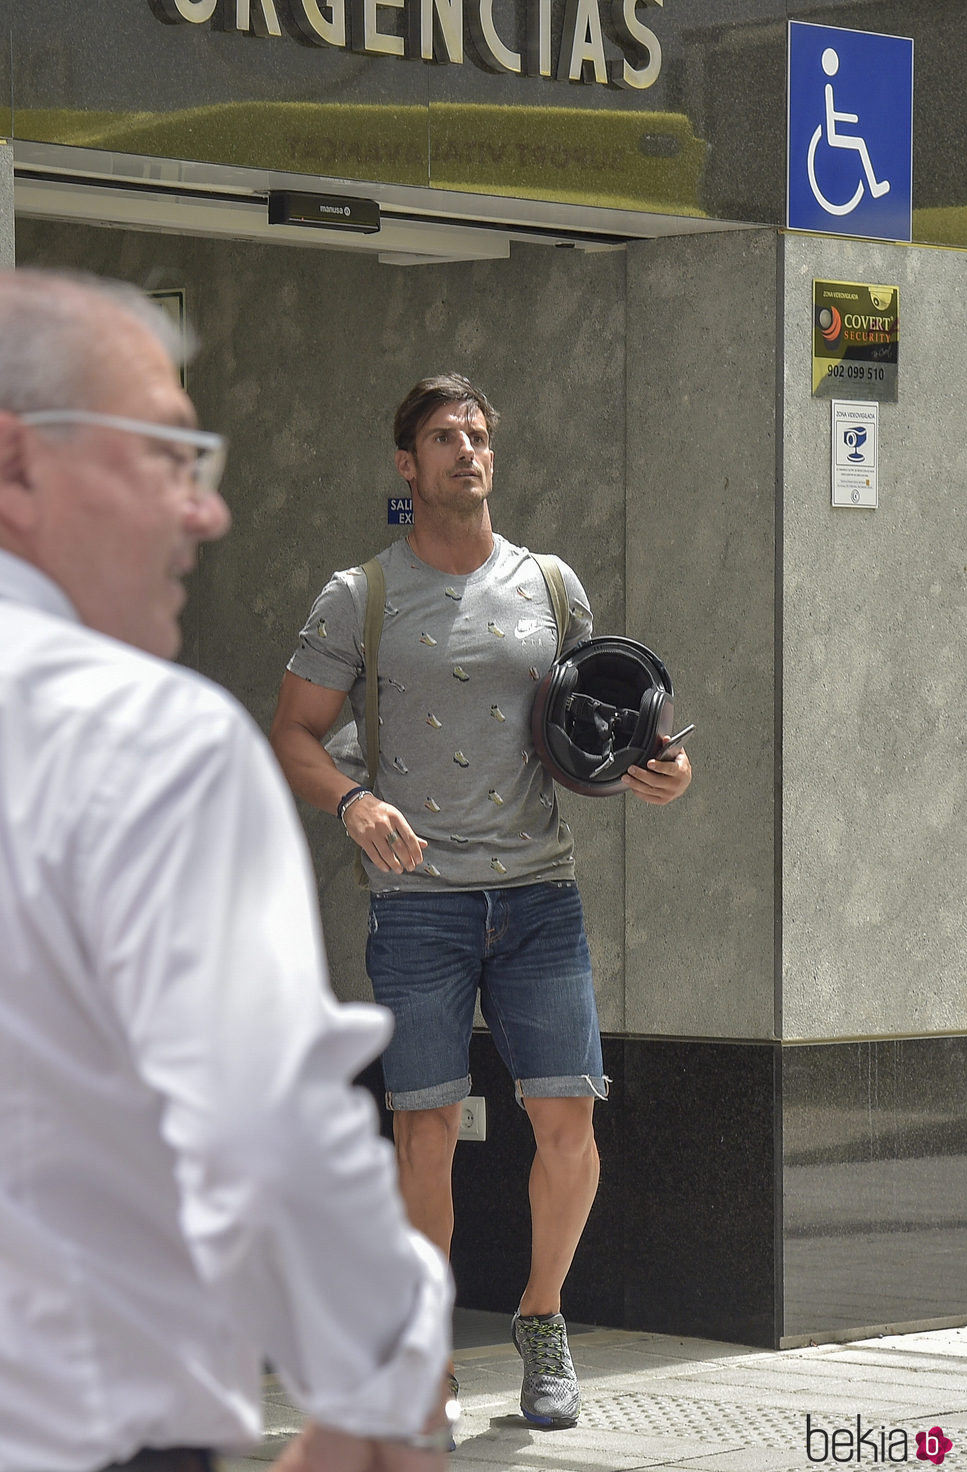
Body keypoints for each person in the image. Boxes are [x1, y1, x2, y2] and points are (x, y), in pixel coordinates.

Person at [0, 271, 455, 1472]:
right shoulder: (141, 736)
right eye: (166, 453)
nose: (205, 513)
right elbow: (264, 1125)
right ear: (15, 465)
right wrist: (380, 1379)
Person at [270, 373, 692, 1429]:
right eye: (442, 437)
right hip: (416, 900)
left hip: (538, 893)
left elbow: (604, 728)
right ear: (405, 465)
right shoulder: (356, 595)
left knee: (567, 1117)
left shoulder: (550, 587)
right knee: (421, 1131)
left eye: (477, 433)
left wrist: (658, 769)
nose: (466, 448)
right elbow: (291, 733)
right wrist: (355, 800)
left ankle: (541, 1320)